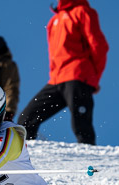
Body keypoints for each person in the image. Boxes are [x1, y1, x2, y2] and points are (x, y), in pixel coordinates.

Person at [17, 0, 108, 144]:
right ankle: (22, 159)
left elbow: (99, 46)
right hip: (56, 80)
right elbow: (54, 56)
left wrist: (93, 79)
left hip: (78, 75)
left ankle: (90, 162)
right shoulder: (54, 20)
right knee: (26, 119)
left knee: (81, 126)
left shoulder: (82, 12)